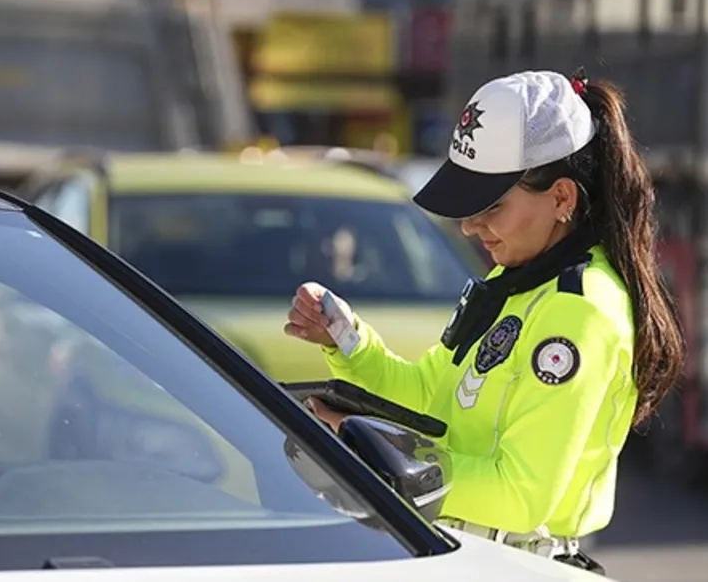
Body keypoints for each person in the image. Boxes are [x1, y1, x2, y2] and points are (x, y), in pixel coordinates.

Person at [283, 70, 684, 571]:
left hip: (516, 566)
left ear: (562, 198)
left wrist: (384, 465)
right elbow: (431, 398)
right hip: (468, 556)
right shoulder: (517, 278)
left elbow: (520, 496)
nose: (471, 226)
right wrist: (347, 343)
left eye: (491, 205)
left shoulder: (579, 309)